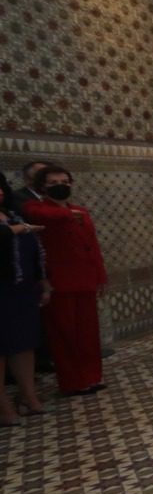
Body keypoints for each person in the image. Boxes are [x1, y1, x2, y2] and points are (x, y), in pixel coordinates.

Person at [22, 166, 108, 398]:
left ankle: (92, 376)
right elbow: (46, 217)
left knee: (88, 332)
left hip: (85, 278)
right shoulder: (35, 208)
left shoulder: (80, 210)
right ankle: (73, 381)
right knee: (64, 334)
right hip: (58, 281)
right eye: (53, 182)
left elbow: (92, 246)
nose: (60, 185)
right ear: (42, 187)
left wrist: (100, 277)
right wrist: (68, 215)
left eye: (64, 181)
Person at [0, 173, 49, 425]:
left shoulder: (12, 214)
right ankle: (4, 407)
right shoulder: (14, 223)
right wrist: (17, 230)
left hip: (20, 288)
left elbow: (31, 247)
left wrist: (41, 278)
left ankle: (28, 397)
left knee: (23, 343)